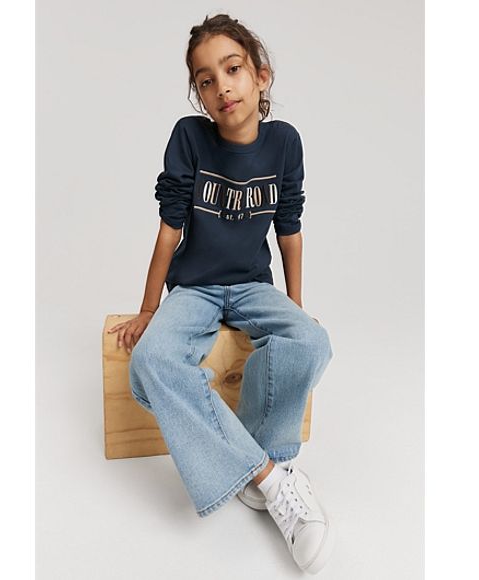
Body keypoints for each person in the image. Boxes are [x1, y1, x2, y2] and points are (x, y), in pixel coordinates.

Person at [107, 14, 335, 575]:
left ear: (261, 76)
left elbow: (289, 231)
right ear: (199, 95)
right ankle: (270, 477)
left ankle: (257, 455)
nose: (222, 87)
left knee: (312, 342)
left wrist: (295, 310)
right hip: (197, 288)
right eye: (205, 80)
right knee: (150, 363)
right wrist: (149, 308)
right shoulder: (190, 138)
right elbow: (170, 230)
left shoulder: (285, 143)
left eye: (232, 70)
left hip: (254, 285)